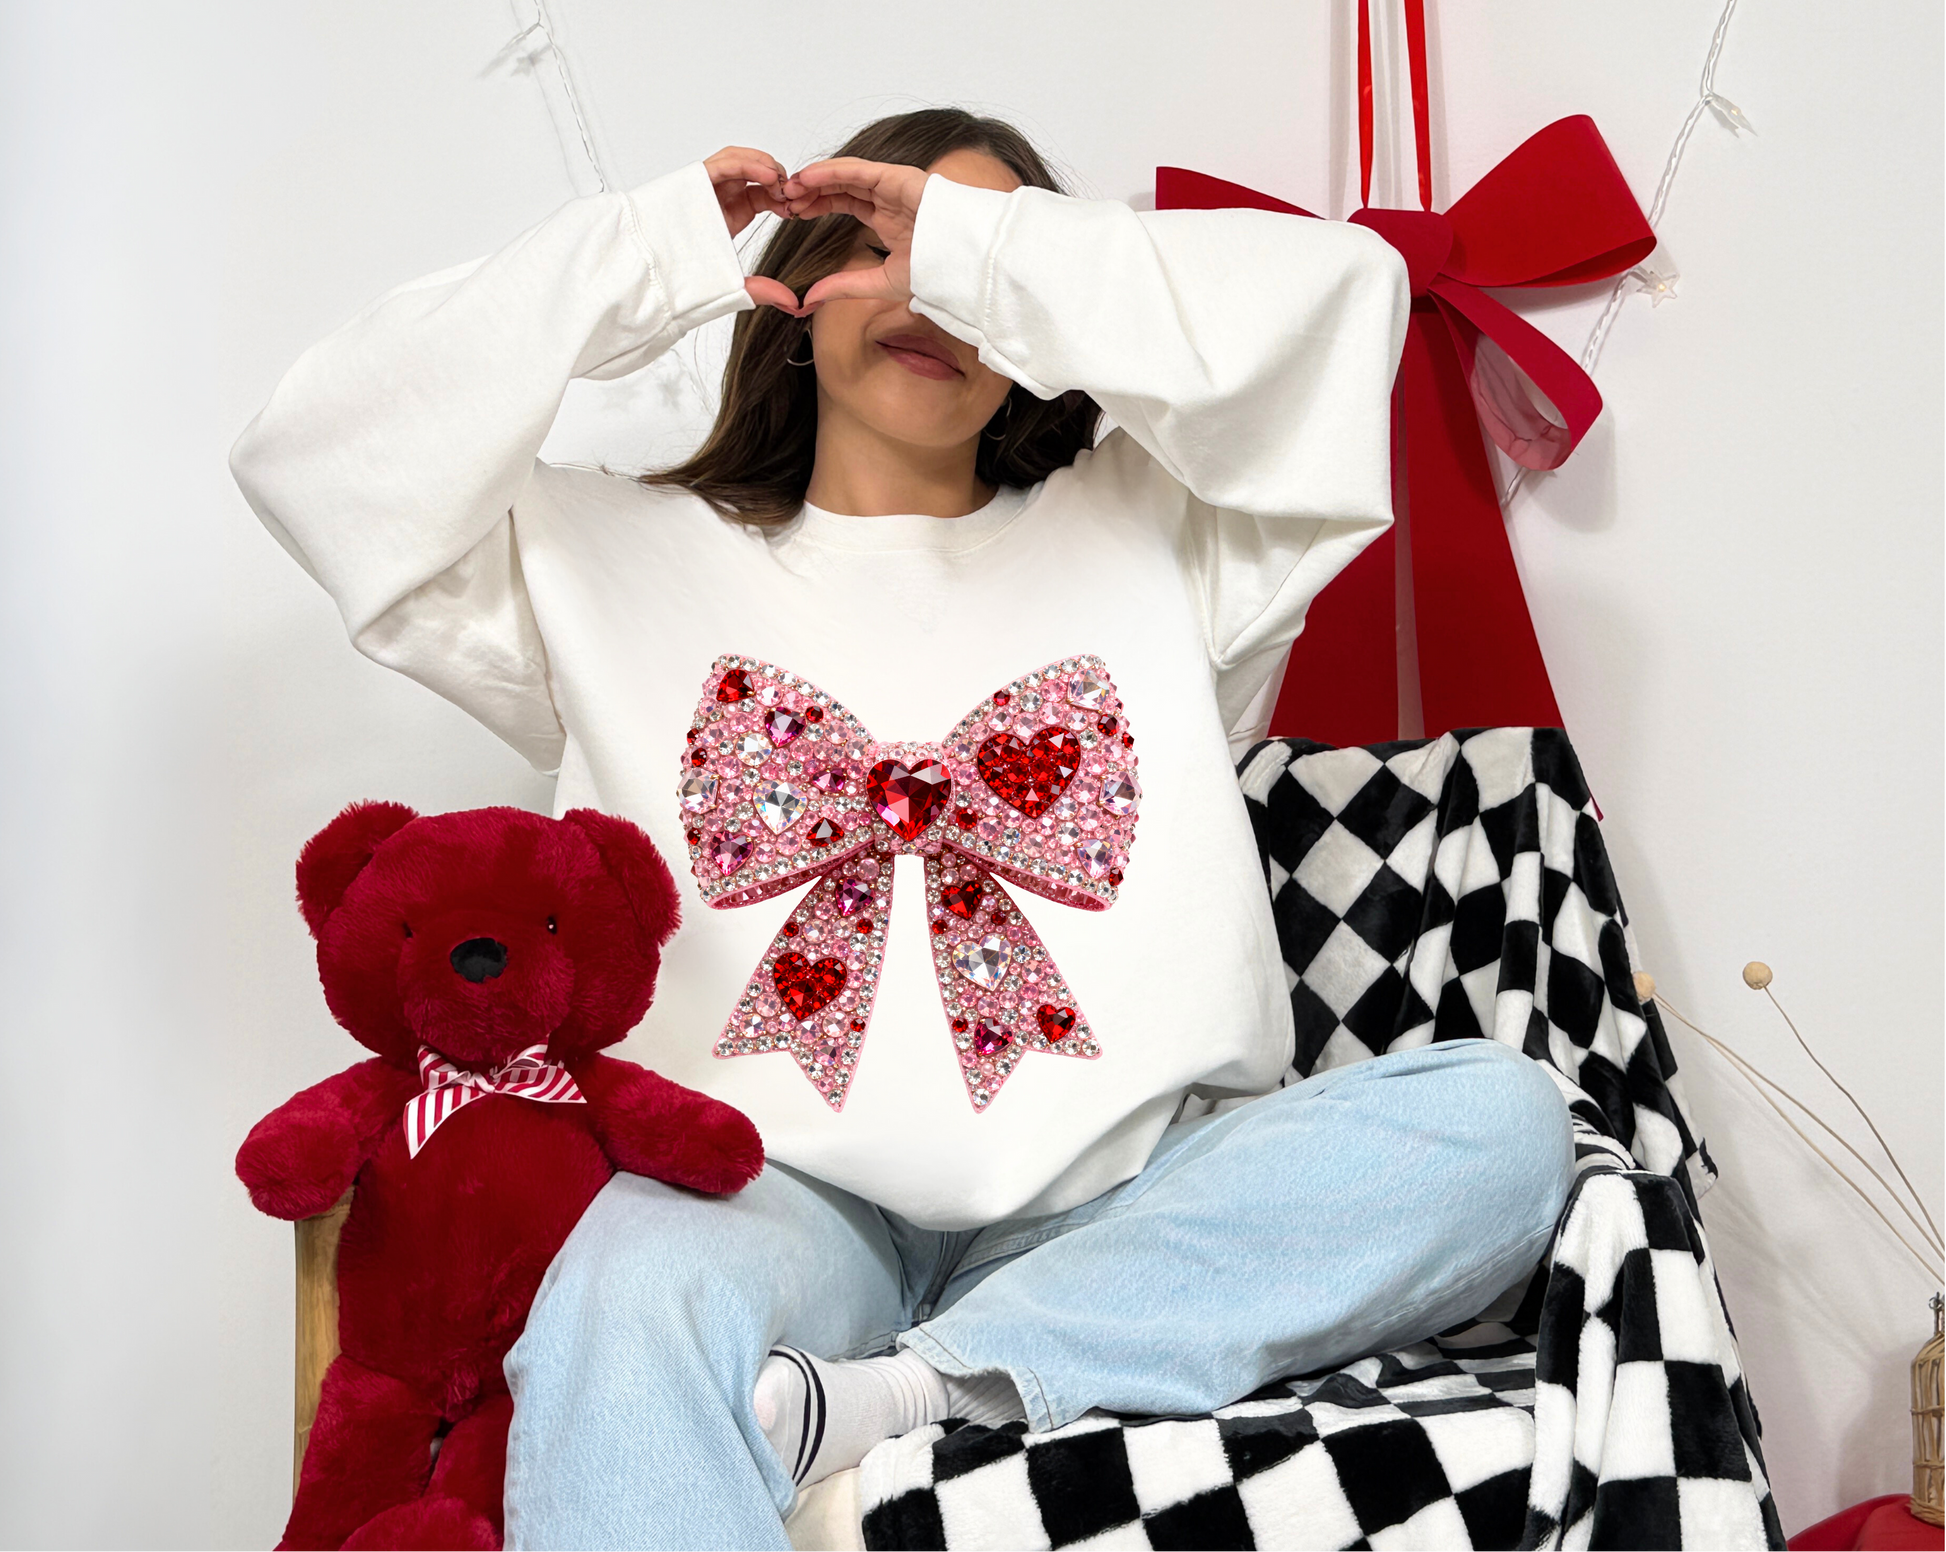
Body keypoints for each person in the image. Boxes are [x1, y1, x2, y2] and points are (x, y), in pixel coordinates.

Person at [231, 106, 1575, 1551]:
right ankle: (965, 1370)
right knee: (622, 1301)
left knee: (1499, 1125)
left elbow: (1343, 298)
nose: (930, 296)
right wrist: (652, 249)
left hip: (1133, 1192)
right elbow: (317, 450)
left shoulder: (1176, 533)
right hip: (765, 1192)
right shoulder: (594, 556)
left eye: (974, 262)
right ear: (799, 279)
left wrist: (993, 260)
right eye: (888, 244)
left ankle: (912, 1391)